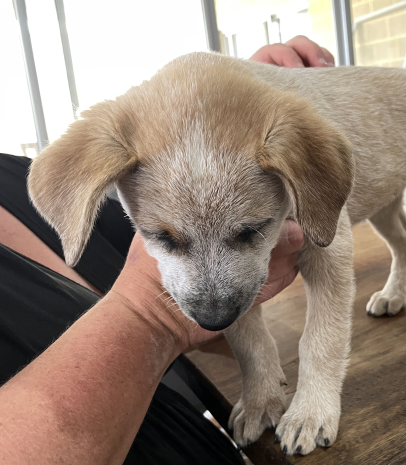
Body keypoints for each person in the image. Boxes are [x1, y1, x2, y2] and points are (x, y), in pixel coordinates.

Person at [0, 36, 334, 464]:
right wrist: (150, 316)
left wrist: (222, 113)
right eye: (165, 238)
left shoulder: (11, 177)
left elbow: (194, 193)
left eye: (247, 231)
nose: (213, 301)